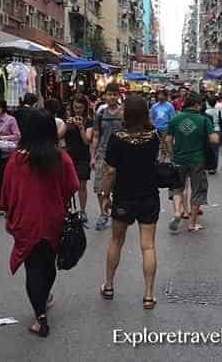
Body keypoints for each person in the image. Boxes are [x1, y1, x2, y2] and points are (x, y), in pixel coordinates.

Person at [0, 109, 79, 338]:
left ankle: (40, 317)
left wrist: (8, 212)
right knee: (47, 263)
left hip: (26, 221)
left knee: (33, 267)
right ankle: (43, 298)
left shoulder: (17, 159)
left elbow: (6, 193)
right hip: (54, 218)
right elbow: (73, 186)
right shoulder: (60, 156)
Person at [100, 95, 161, 309]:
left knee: (116, 241)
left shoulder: (118, 138)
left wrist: (105, 196)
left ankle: (108, 285)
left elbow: (110, 171)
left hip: (124, 196)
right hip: (149, 196)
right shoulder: (154, 136)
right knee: (148, 245)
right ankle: (148, 294)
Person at [166, 92, 218, 233]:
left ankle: (178, 212)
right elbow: (214, 139)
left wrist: (172, 155)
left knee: (177, 187)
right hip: (197, 160)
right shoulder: (203, 120)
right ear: (197, 104)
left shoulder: (176, 119)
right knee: (197, 190)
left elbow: (168, 140)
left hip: (179, 159)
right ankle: (192, 223)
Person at [91, 83, 124, 231]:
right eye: (109, 94)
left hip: (121, 155)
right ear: (105, 95)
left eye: (114, 94)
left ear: (118, 95)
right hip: (102, 154)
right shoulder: (100, 113)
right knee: (99, 185)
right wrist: (93, 155)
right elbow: (96, 135)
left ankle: (116, 211)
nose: (112, 97)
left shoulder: (124, 112)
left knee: (118, 185)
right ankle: (103, 213)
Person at [64, 95, 94, 224]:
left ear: (85, 108)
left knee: (82, 185)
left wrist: (81, 127)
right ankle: (67, 209)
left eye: (80, 108)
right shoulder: (68, 119)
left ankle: (82, 210)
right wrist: (67, 125)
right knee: (68, 184)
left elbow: (87, 141)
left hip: (83, 156)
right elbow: (58, 135)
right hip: (69, 156)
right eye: (76, 107)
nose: (78, 110)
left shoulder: (89, 121)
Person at [0, 99, 20, 215]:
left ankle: (6, 205)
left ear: (0, 109)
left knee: (6, 180)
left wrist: (2, 137)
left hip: (7, 154)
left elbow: (17, 136)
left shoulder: (11, 120)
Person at [204, 96, 222, 175]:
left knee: (208, 149)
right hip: (217, 130)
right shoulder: (219, 111)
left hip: (209, 131)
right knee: (215, 150)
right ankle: (214, 167)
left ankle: (209, 166)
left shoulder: (206, 112)